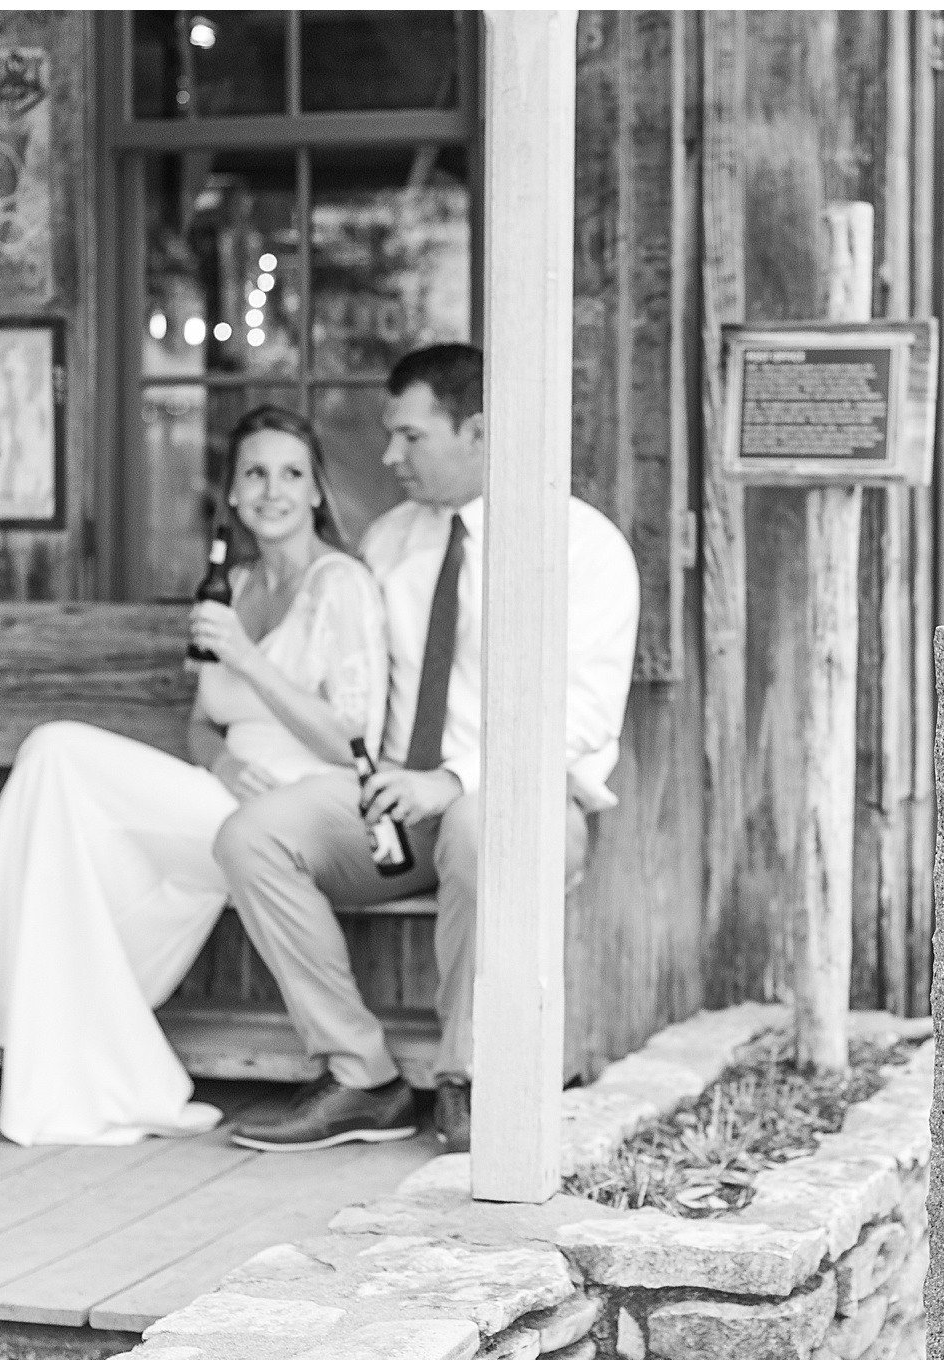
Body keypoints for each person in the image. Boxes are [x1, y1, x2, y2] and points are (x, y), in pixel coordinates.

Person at [0, 407, 389, 1146]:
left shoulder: (342, 585)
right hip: (221, 798)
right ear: (230, 492)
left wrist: (251, 661)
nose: (272, 491)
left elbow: (355, 738)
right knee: (58, 806)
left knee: (58, 752)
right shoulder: (239, 587)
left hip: (298, 824)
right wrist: (226, 760)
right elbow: (203, 721)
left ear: (317, 491)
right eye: (254, 473)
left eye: (291, 473)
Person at [214, 343, 640, 1155]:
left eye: (410, 436)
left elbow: (581, 717)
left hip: (530, 808)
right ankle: (360, 1075)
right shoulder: (389, 541)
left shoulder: (581, 548)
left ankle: (470, 1078)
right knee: (252, 834)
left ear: (478, 431)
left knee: (484, 825)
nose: (388, 455)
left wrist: (453, 780)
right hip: (395, 809)